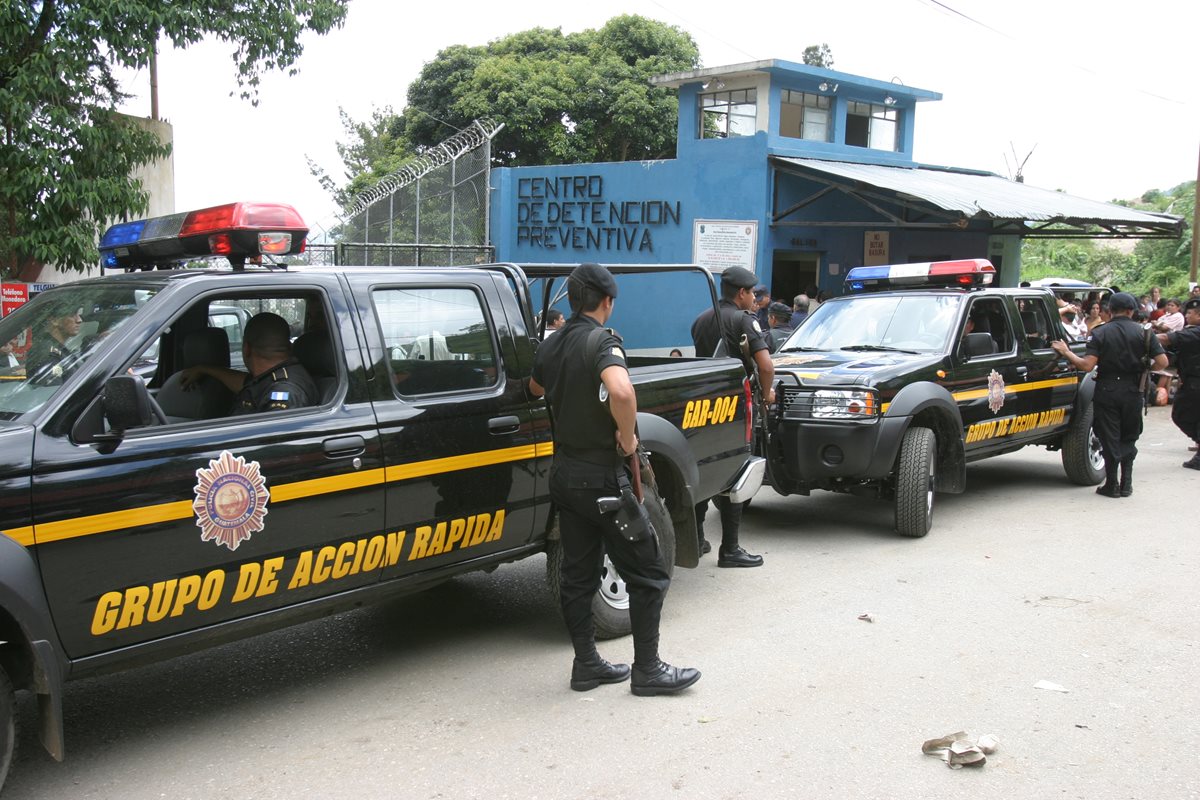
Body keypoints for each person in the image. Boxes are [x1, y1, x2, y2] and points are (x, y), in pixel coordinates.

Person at [527, 263, 699, 696]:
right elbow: (621, 391)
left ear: (570, 300)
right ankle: (648, 670)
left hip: (565, 476)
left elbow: (533, 389)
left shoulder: (551, 344)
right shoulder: (602, 341)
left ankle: (587, 665)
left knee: (578, 576)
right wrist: (626, 439)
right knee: (650, 573)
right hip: (602, 479)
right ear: (607, 302)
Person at [689, 265, 771, 568]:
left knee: (704, 467)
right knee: (735, 470)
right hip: (735, 405)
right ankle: (731, 549)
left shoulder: (701, 319)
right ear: (742, 293)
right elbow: (765, 366)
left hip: (703, 405)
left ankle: (697, 539)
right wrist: (769, 393)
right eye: (752, 293)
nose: (754, 298)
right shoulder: (744, 320)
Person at [1051, 292, 1167, 497]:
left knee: (1109, 436)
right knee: (1129, 437)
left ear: (1109, 311)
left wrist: (1067, 352)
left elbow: (1087, 366)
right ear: (1131, 311)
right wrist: (1143, 365)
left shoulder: (1100, 332)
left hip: (1107, 390)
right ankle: (1127, 484)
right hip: (1133, 391)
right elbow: (1163, 363)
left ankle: (1111, 485)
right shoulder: (1144, 333)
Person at [183, 312, 318, 414]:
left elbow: (272, 445)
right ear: (289, 346)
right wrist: (204, 369)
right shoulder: (274, 375)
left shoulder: (284, 392)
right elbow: (245, 383)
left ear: (247, 348)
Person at [1157, 297, 1200, 469]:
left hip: (1195, 382)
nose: (1186, 316)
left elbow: (1169, 339)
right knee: (1189, 415)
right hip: (1191, 380)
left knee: (1182, 414)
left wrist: (1144, 336)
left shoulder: (1195, 332)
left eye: (1189, 313)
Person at [25, 305, 82, 384]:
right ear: (55, 320)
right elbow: (52, 390)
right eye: (72, 315)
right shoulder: (47, 352)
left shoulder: (58, 348)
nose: (79, 320)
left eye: (78, 315)